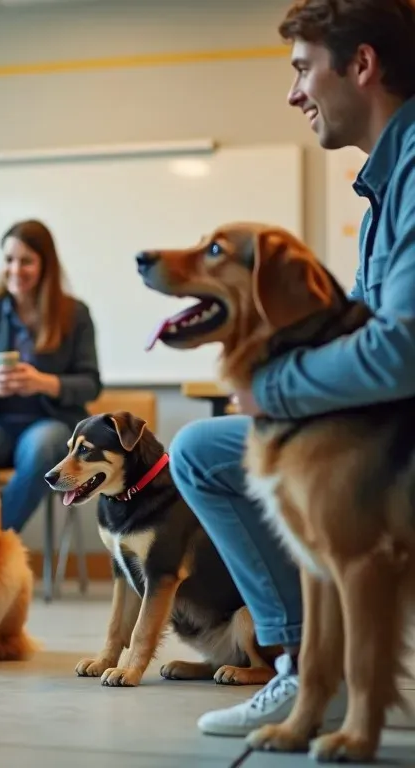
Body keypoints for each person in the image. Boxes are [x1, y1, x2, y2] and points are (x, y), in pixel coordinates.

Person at [169, 0, 415, 738]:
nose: (294, 92)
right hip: (379, 424)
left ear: (361, 66)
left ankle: (334, 680)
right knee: (204, 451)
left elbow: (401, 348)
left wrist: (267, 388)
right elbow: (363, 330)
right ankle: (306, 663)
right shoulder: (381, 187)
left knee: (240, 450)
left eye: (303, 69)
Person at [0, 219, 102, 532]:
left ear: (45, 266)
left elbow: (91, 384)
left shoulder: (75, 313)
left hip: (50, 423)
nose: (15, 269)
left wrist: (44, 382)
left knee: (43, 444)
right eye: (9, 260)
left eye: (26, 261)